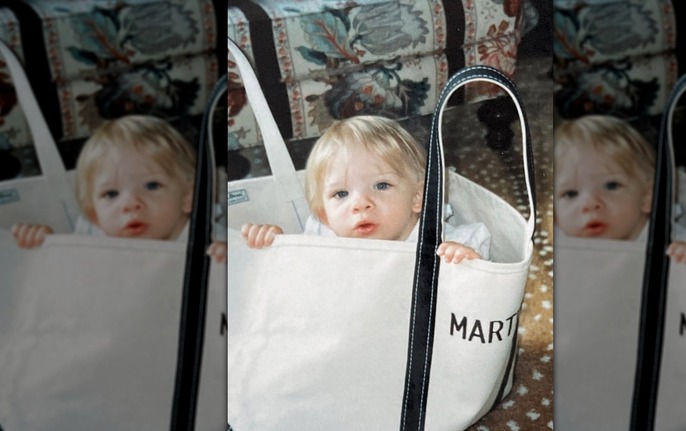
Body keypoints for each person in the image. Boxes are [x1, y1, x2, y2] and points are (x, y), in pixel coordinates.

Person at [241, 115, 490, 264]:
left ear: (417, 197)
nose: (360, 204)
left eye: (381, 185)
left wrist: (464, 259)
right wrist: (274, 247)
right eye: (341, 194)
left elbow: (477, 289)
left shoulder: (438, 241)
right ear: (324, 214)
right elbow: (292, 282)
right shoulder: (321, 238)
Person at [11, 115, 226, 262]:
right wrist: (47, 248)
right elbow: (67, 285)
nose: (131, 203)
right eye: (111, 194)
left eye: (151, 185)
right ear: (93, 214)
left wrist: (228, 260)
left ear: (188, 198)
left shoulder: (206, 239)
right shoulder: (92, 238)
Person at [554, 114, 686, 263]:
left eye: (611, 186)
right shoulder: (557, 247)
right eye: (570, 194)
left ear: (647, 196)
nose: (590, 204)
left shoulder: (673, 243)